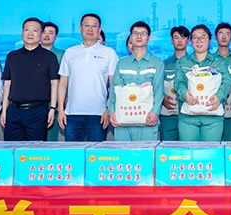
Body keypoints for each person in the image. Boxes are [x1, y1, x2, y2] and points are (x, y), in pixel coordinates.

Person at [57, 13, 117, 142]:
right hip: (72, 114)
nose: (90, 29)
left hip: (98, 114)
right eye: (86, 26)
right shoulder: (70, 52)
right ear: (80, 28)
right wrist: (61, 110)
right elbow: (63, 83)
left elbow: (114, 84)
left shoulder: (109, 53)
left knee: (96, 153)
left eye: (94, 26)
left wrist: (108, 109)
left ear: (99, 29)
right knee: (72, 153)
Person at [1, 17, 60, 141]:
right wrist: (4, 110)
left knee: (34, 149)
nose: (30, 33)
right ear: (22, 32)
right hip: (14, 111)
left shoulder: (49, 57)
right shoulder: (12, 56)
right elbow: (7, 84)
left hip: (37, 111)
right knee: (11, 148)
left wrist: (52, 109)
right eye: (27, 30)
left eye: (35, 30)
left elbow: (54, 84)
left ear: (41, 34)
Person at [107, 21, 164, 141]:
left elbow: (159, 92)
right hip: (123, 119)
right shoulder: (121, 64)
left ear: (149, 38)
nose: (139, 36)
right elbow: (114, 91)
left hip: (147, 119)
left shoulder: (157, 63)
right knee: (123, 152)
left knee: (146, 152)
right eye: (135, 33)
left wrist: (155, 112)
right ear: (131, 37)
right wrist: (111, 111)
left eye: (143, 33)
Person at [175, 25, 231, 142]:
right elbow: (179, 82)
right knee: (188, 151)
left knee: (210, 151)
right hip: (188, 118)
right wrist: (184, 94)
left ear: (209, 40)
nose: (199, 41)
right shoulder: (182, 62)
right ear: (191, 41)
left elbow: (226, 82)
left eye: (203, 37)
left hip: (213, 117)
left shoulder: (218, 62)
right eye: (195, 37)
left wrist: (219, 96)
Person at [161, 26, 190, 141]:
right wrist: (162, 98)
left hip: (188, 114)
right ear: (171, 41)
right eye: (176, 37)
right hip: (168, 114)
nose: (179, 41)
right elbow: (157, 86)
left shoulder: (194, 64)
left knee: (188, 147)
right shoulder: (164, 64)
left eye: (183, 38)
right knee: (167, 147)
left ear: (188, 41)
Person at [41, 21, 66, 141]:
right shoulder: (31, 54)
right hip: (35, 101)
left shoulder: (62, 54)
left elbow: (65, 79)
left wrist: (65, 97)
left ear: (56, 37)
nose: (46, 35)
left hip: (54, 101)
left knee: (50, 138)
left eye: (51, 32)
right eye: (44, 32)